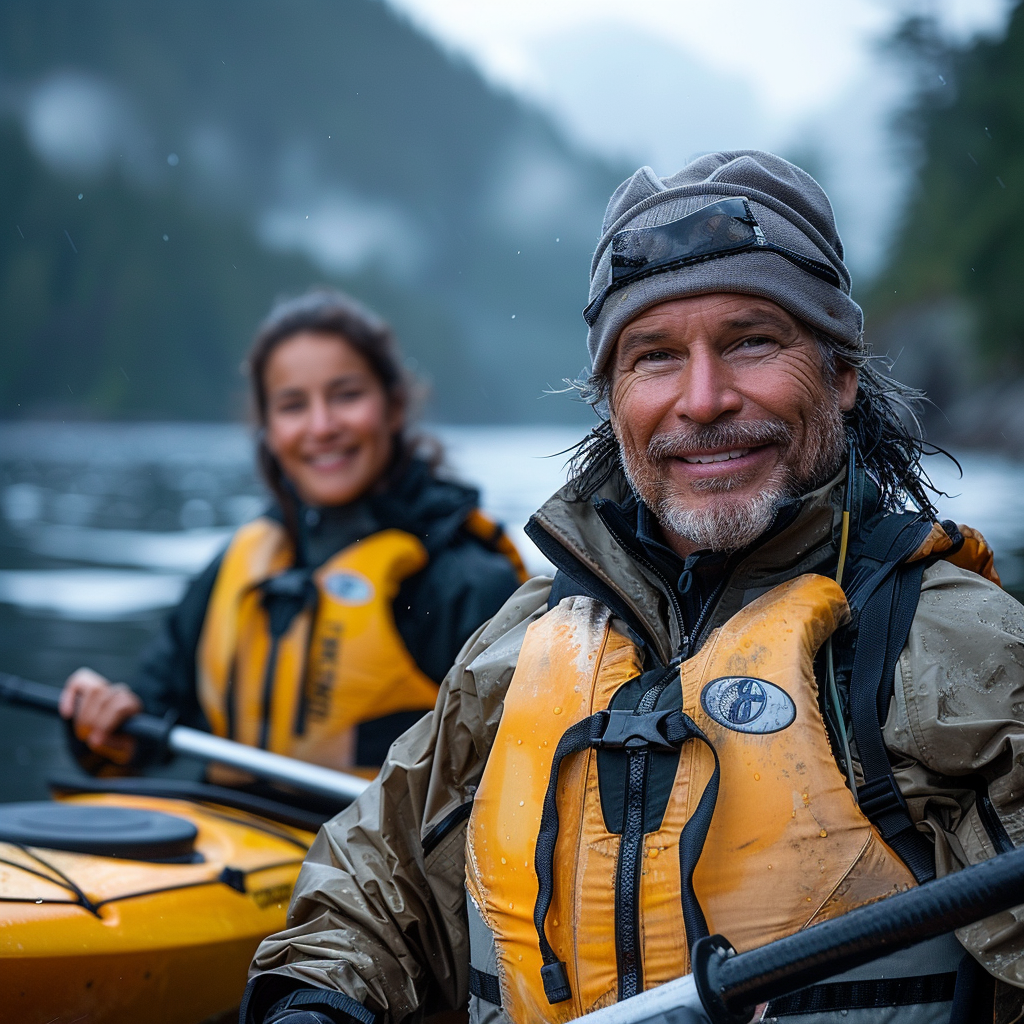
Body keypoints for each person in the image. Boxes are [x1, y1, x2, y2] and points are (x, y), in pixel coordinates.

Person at [241, 154, 1024, 1024]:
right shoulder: (519, 644)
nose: (702, 399)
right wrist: (313, 1001)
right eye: (654, 357)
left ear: (839, 373)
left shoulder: (958, 648)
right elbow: (372, 885)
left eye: (750, 341)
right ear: (611, 399)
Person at [59, 289, 526, 782]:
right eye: (292, 405)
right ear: (268, 428)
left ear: (392, 407)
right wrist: (107, 718)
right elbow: (148, 718)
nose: (321, 426)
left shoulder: (468, 581)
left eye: (346, 395)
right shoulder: (239, 563)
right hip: (234, 830)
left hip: (380, 857)